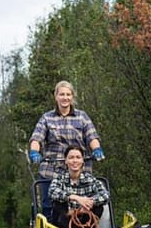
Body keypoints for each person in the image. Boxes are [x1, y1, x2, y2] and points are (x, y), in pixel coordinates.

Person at [29, 80, 105, 218]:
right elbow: (36, 138)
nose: (65, 98)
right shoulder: (47, 118)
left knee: (89, 204)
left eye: (68, 94)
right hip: (52, 170)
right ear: (56, 96)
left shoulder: (82, 117)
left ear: (72, 97)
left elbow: (92, 136)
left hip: (79, 170)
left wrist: (97, 149)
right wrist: (34, 151)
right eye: (62, 94)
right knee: (51, 206)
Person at [48, 145, 109, 228]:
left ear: (82, 161)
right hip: (63, 224)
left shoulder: (90, 179)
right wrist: (77, 198)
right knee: (57, 203)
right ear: (66, 161)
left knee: (99, 206)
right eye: (71, 158)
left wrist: (90, 203)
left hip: (86, 221)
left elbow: (105, 195)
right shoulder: (59, 179)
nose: (75, 161)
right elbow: (52, 192)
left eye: (78, 157)